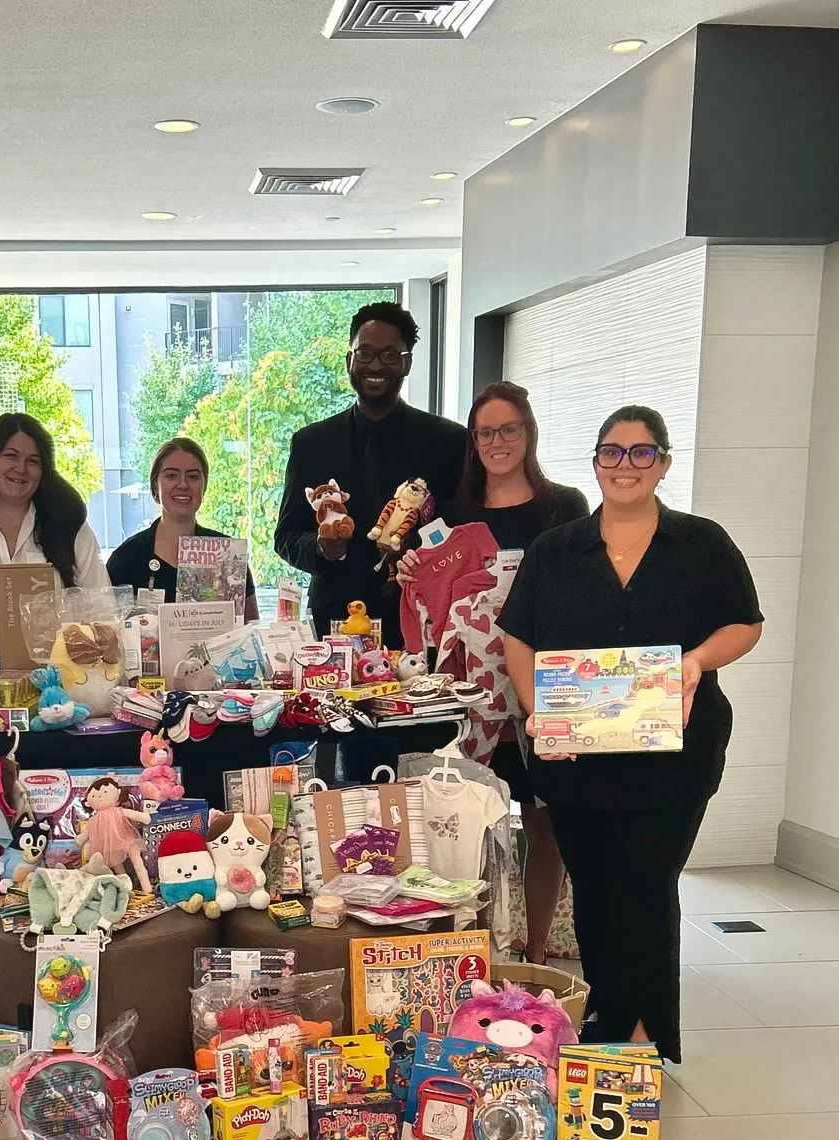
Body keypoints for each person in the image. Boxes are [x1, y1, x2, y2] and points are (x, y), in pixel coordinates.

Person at [498, 406, 763, 1062]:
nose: (625, 465)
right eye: (611, 452)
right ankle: (604, 1022)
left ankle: (642, 1039)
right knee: (592, 891)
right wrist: (538, 712)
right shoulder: (555, 551)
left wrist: (696, 660)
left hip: (671, 755)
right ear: (593, 463)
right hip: (576, 755)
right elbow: (518, 635)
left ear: (663, 463)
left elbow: (744, 622)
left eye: (641, 453)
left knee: (645, 886)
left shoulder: (702, 544)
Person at [397, 381, 589, 966]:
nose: (497, 441)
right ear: (473, 441)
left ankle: (534, 952)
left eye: (509, 429)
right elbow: (423, 595)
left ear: (528, 433)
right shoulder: (452, 516)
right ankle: (470, 947)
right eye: (485, 432)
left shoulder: (566, 508)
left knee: (545, 814)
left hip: (543, 687)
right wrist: (412, 568)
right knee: (464, 816)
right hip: (470, 693)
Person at [274, 301, 469, 649]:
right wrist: (321, 548)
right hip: (337, 624)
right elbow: (286, 536)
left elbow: (461, 531)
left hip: (422, 617)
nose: (375, 365)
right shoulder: (311, 443)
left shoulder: (448, 441)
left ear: (407, 363)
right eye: (364, 353)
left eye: (390, 355)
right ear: (349, 360)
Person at [0, 413, 109, 665]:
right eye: (11, 456)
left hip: (57, 682)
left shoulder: (68, 526)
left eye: (33, 461)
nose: (21, 469)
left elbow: (101, 607)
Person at [107, 436, 258, 620]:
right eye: (171, 475)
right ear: (155, 485)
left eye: (193, 477)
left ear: (204, 486)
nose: (183, 485)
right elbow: (109, 636)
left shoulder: (229, 555)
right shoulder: (126, 559)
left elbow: (250, 629)